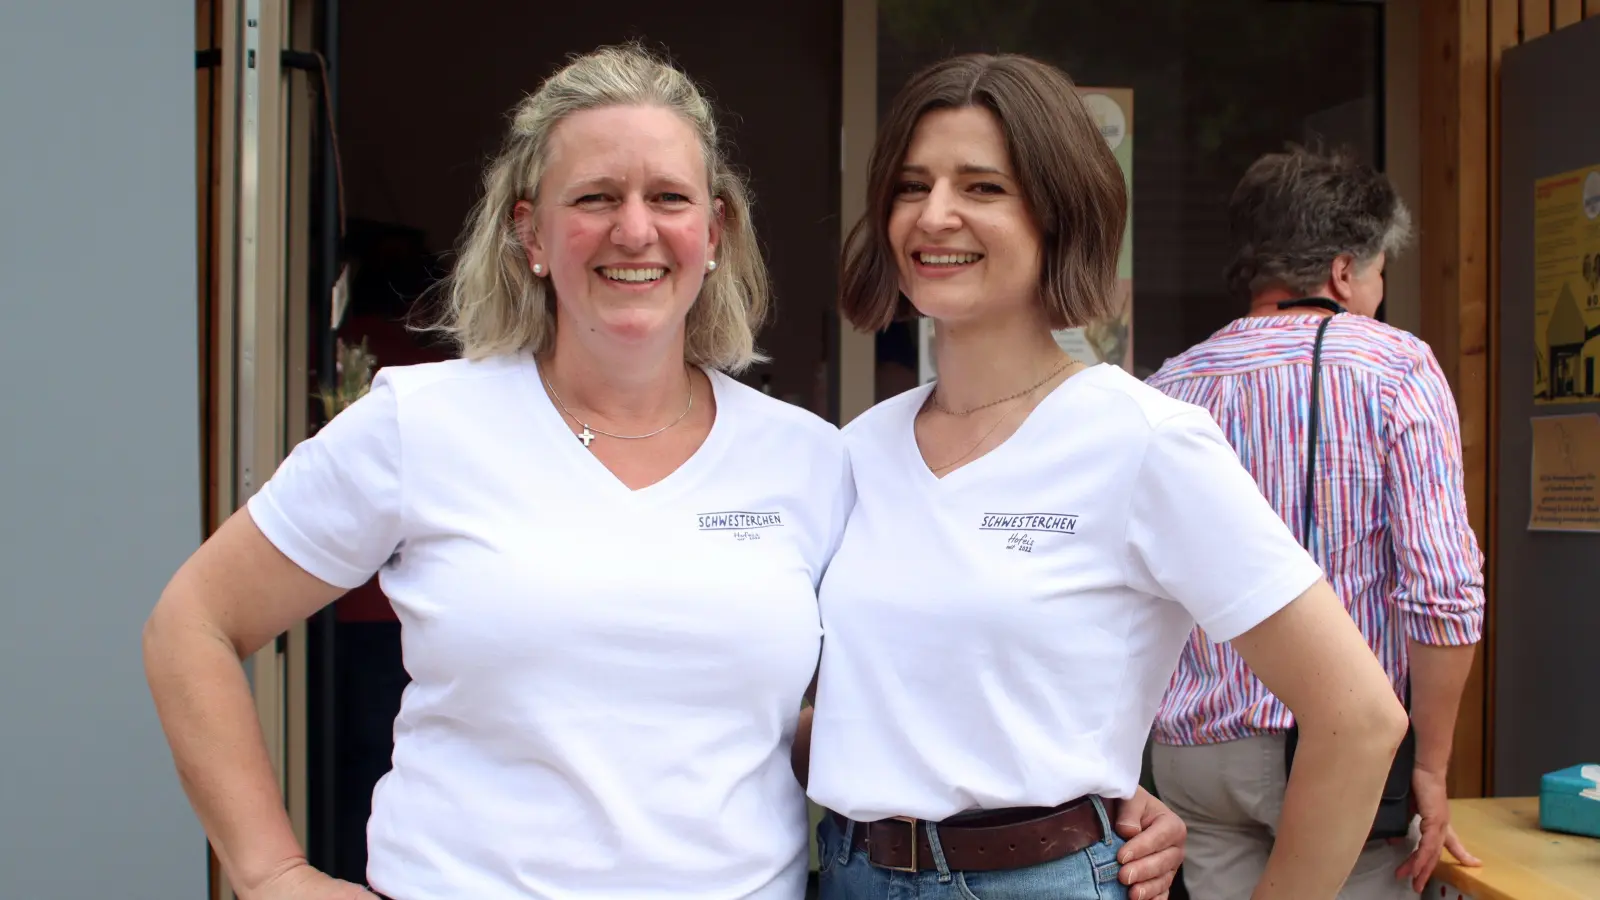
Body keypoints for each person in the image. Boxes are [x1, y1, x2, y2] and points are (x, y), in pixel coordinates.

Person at [142, 43, 1185, 900]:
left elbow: (848, 714)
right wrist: (271, 869)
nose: (633, 231)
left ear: (714, 232)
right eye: (593, 197)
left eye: (668, 198)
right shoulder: (422, 424)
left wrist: (1066, 810)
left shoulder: (811, 459)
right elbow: (192, 624)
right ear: (531, 235)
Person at [804, 53, 1411, 900]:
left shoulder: (1145, 441)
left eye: (982, 187)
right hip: (847, 874)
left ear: (1061, 214)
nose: (936, 215)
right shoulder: (854, 452)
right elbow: (854, 712)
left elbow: (1360, 716)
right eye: (912, 186)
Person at [1144, 146, 1487, 899]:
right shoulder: (1398, 368)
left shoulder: (1168, 384)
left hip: (1198, 756)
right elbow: (1444, 592)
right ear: (1342, 272)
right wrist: (1430, 765)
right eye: (1378, 273)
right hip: (1349, 750)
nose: (1377, 292)